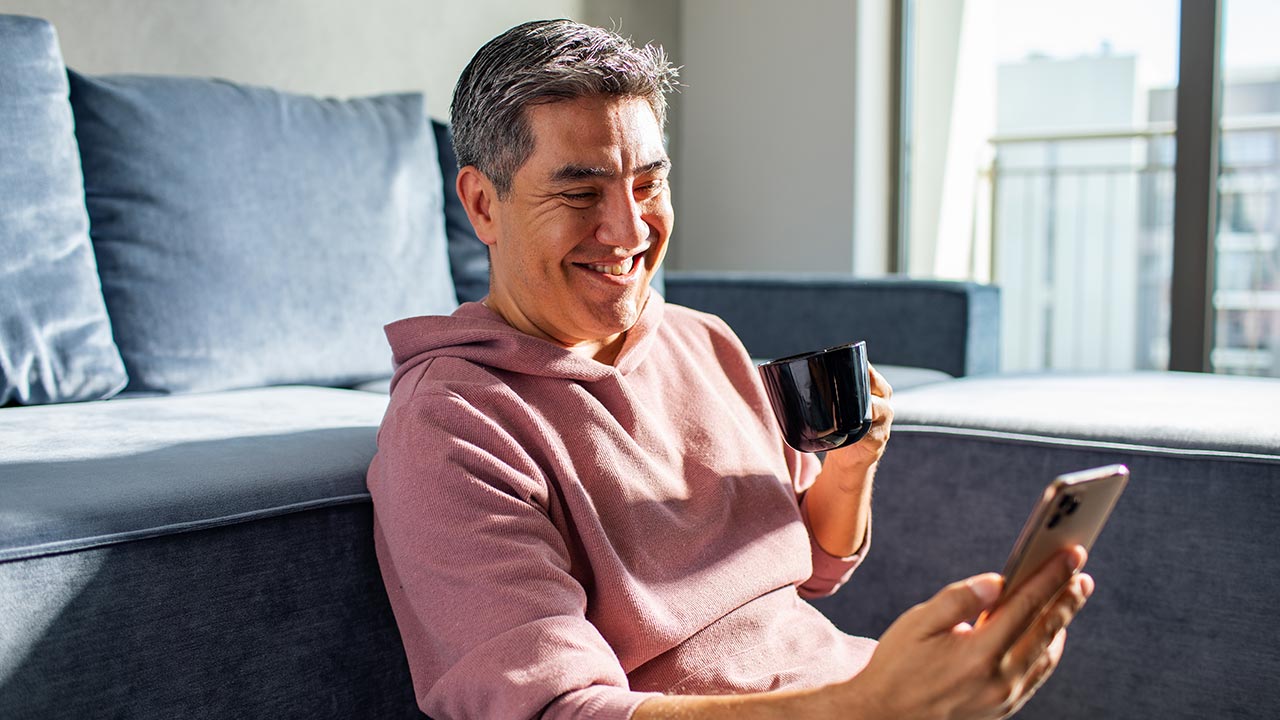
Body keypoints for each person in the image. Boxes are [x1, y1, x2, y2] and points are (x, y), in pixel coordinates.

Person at [367, 19, 1093, 720]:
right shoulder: (453, 425)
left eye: (648, 185)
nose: (628, 231)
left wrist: (849, 470)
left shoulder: (702, 340)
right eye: (581, 193)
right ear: (481, 205)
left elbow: (811, 566)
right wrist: (869, 706)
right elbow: (557, 710)